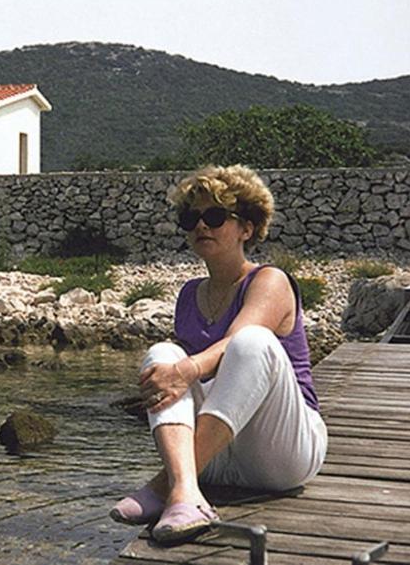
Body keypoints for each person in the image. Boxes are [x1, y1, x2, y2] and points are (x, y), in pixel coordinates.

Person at [109, 164, 327, 542]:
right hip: (218, 457)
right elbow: (191, 384)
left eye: (214, 216)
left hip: (283, 454)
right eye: (191, 218)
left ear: (247, 227)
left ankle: (165, 487)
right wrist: (176, 370)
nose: (201, 226)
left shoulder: (270, 280)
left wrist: (186, 370)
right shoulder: (189, 294)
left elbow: (236, 344)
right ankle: (186, 490)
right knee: (162, 351)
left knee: (252, 342)